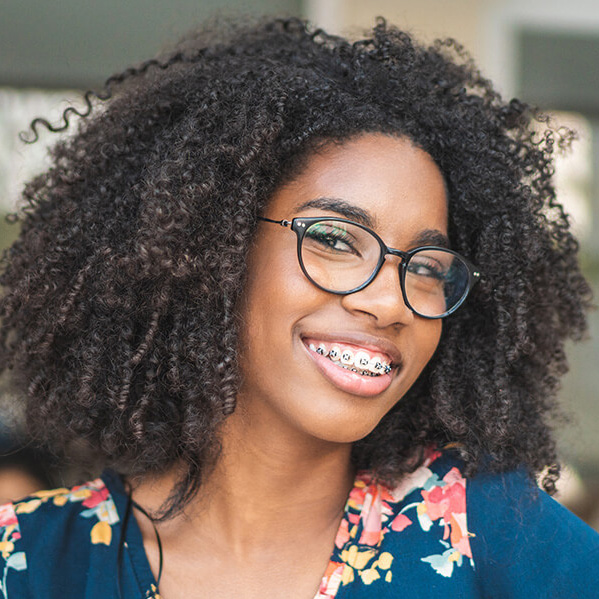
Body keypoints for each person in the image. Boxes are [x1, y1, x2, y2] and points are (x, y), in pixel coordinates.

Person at [0, 15, 597, 599]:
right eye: (335, 240)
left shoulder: (489, 532)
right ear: (213, 247)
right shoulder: (27, 562)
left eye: (427, 268)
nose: (391, 302)